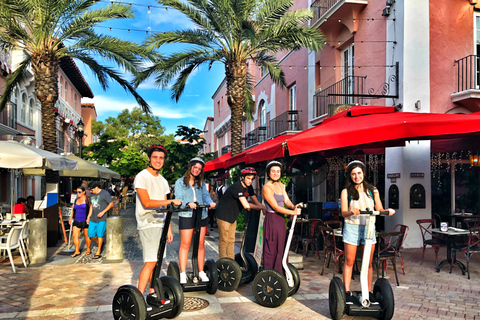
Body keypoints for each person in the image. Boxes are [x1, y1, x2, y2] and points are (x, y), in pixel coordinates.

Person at [134, 145, 182, 299]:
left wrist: (167, 228)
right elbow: (147, 202)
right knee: (151, 261)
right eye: (155, 157)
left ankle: (152, 291)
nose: (158, 160)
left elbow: (167, 205)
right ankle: (139, 298)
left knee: (157, 261)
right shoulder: (142, 177)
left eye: (161, 158)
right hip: (147, 223)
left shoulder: (163, 180)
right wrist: (170, 200)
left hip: (160, 224)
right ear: (149, 158)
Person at [340, 160, 395, 295]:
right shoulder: (346, 192)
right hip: (352, 227)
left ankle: (368, 292)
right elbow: (343, 213)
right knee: (349, 261)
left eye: (359, 173)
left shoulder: (372, 190)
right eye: (353, 174)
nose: (356, 176)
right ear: (350, 176)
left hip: (368, 228)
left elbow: (379, 209)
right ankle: (346, 292)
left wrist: (387, 211)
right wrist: (351, 212)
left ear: (363, 173)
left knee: (368, 263)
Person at [174, 157, 216, 284]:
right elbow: (178, 199)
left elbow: (205, 196)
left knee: (201, 244)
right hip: (186, 214)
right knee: (185, 244)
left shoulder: (201, 183)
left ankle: (201, 271)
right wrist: (187, 203)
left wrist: (211, 203)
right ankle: (182, 273)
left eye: (199, 169)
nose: (197, 170)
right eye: (195, 167)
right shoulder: (180, 182)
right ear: (190, 167)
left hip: (201, 214)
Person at [216, 167, 266, 260]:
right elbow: (246, 205)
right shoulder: (238, 187)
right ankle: (223, 262)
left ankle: (231, 261)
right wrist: (261, 207)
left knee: (231, 240)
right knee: (224, 241)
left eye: (252, 179)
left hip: (232, 216)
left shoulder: (249, 187)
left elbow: (255, 201)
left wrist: (262, 207)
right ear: (243, 177)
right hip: (223, 215)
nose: (250, 181)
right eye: (248, 178)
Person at [262, 161, 300, 274]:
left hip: (281, 220)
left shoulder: (280, 185)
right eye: (273, 171)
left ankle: (281, 273)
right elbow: (275, 207)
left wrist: (293, 207)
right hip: (272, 220)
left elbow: (286, 200)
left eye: (278, 171)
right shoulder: (266, 187)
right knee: (271, 248)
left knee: (281, 248)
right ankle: (270, 275)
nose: (276, 173)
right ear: (269, 173)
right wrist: (292, 213)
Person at [87, 181, 113, 259]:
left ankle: (98, 252)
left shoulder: (104, 193)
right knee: (90, 234)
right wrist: (88, 216)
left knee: (99, 234)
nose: (91, 192)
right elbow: (91, 205)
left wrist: (103, 212)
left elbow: (111, 204)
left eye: (91, 190)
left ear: (96, 187)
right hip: (93, 218)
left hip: (102, 218)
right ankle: (100, 243)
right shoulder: (91, 195)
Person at [69, 186, 92, 257]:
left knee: (86, 236)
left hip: (85, 220)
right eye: (77, 192)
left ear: (83, 192)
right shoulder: (76, 199)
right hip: (76, 220)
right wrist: (70, 218)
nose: (78, 193)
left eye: (79, 192)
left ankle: (88, 249)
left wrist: (89, 217)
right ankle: (77, 251)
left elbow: (91, 208)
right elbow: (73, 209)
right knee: (75, 235)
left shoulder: (87, 199)